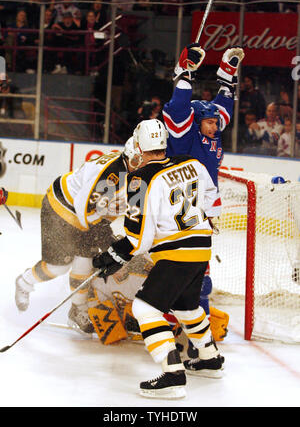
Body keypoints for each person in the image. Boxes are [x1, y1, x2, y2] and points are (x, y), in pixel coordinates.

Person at [92, 118, 224, 399]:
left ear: (139, 145)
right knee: (186, 307)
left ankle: (173, 374)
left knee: (145, 309)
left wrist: (114, 254)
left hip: (176, 254)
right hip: (201, 247)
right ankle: (210, 358)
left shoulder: (140, 179)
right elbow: (212, 199)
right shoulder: (192, 163)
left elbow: (138, 239)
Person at [161, 44, 244, 349]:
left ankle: (198, 335)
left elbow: (223, 110)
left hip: (200, 213)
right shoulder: (185, 136)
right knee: (174, 273)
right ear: (197, 124)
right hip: (174, 212)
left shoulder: (211, 132)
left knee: (200, 278)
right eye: (209, 122)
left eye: (215, 123)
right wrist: (184, 75)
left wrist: (227, 78)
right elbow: (179, 109)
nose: (216, 126)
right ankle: (171, 327)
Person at [14, 138, 142, 334]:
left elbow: (135, 213)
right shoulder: (113, 175)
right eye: (137, 160)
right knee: (58, 267)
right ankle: (24, 282)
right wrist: (110, 244)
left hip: (91, 217)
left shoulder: (139, 175)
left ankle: (77, 308)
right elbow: (88, 214)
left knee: (85, 263)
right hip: (62, 209)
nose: (141, 165)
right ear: (129, 156)